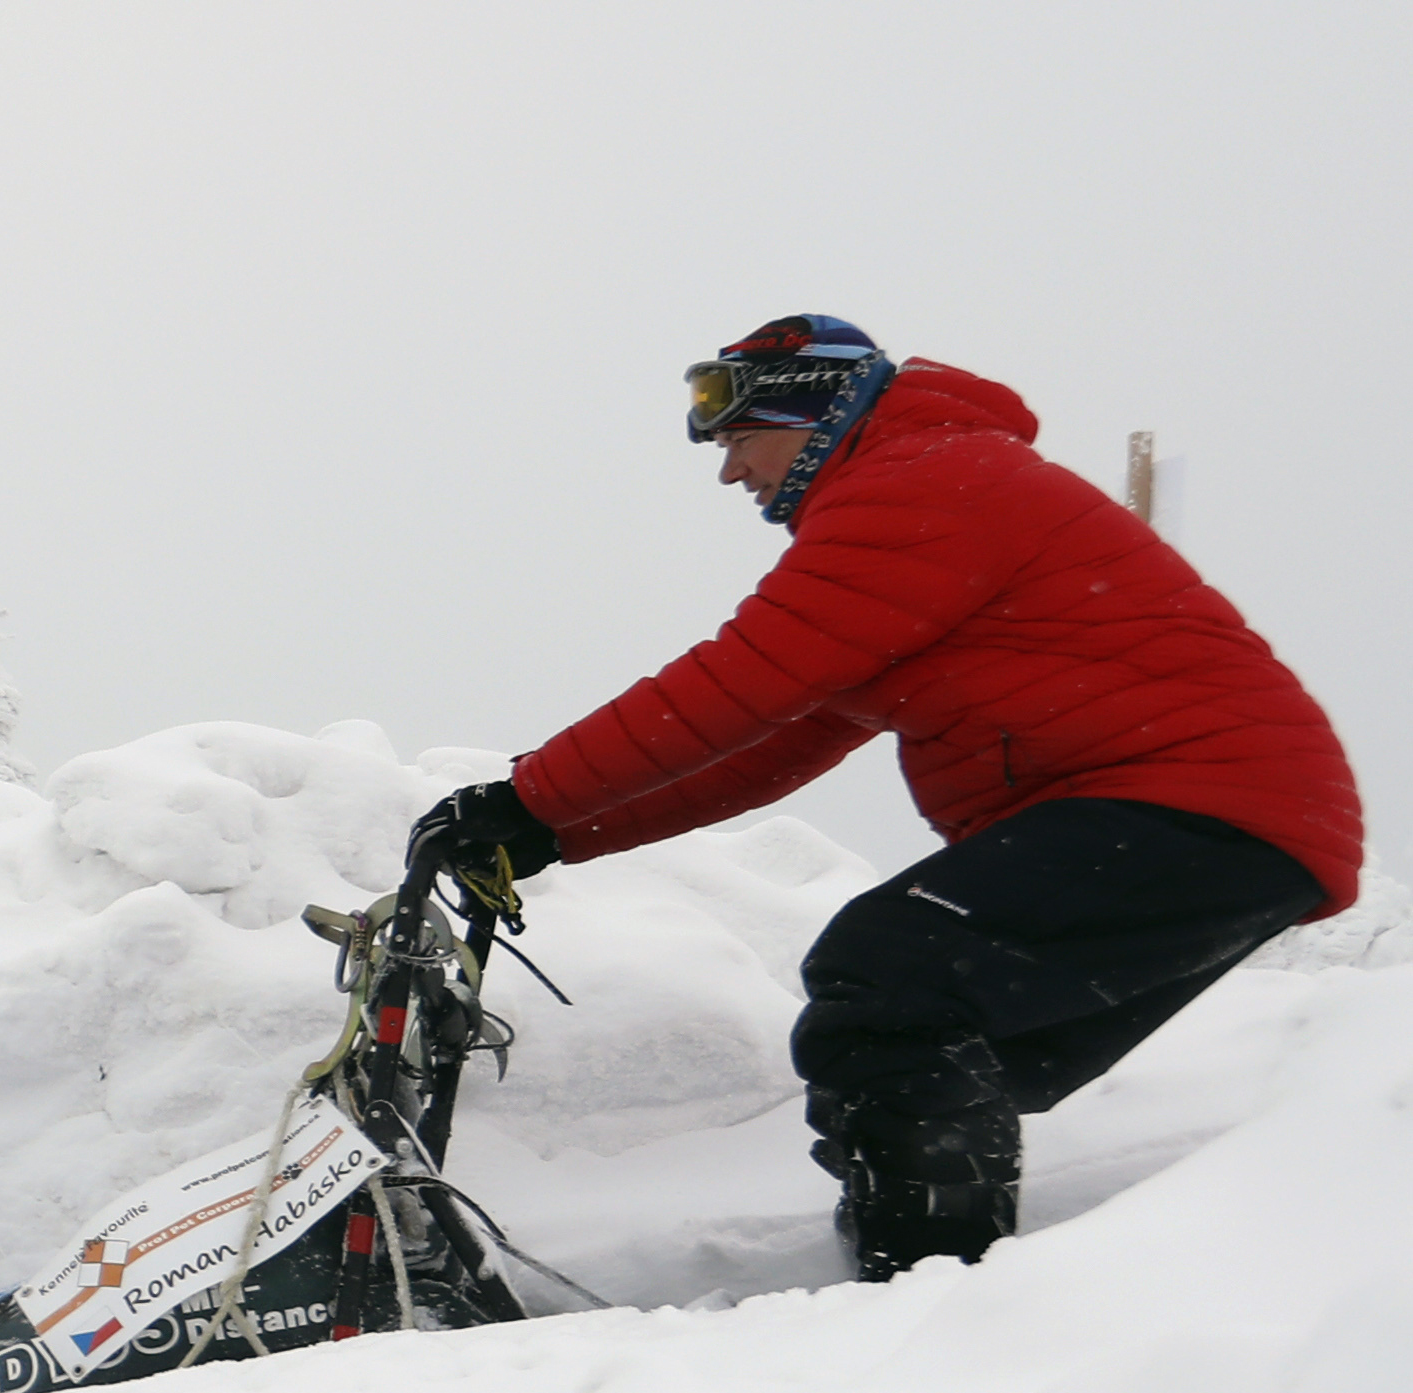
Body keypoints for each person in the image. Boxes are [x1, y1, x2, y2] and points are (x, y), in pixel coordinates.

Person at [410, 315, 1361, 1282]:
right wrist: (560, 831)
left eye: (740, 439)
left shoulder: (925, 484)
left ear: (810, 411)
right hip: (1214, 819)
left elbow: (744, 678)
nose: (732, 474)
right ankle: (966, 1288)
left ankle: (927, 1294)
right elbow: (776, 738)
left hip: (1195, 802)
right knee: (923, 1033)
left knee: (890, 985)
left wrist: (528, 797)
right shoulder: (920, 495)